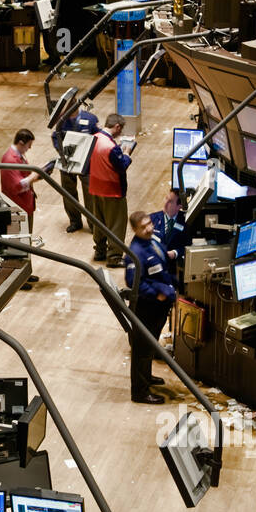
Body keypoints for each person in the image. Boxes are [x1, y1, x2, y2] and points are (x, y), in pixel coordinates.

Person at [124, 209, 177, 404]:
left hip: (159, 305)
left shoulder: (153, 240)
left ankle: (147, 376)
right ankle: (139, 392)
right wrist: (158, 293)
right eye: (143, 227)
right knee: (141, 349)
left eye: (149, 224)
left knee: (150, 346)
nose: (149, 228)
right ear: (134, 229)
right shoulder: (135, 253)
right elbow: (133, 282)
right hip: (147, 306)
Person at [0, 128, 47, 286]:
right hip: (17, 207)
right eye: (28, 145)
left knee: (25, 243)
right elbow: (16, 186)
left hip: (25, 205)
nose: (30, 148)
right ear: (21, 142)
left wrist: (36, 176)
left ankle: (25, 273)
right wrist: (34, 176)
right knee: (18, 244)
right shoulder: (10, 159)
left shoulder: (18, 156)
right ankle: (17, 278)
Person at [88, 112, 133, 267]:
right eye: (121, 130)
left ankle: (99, 250)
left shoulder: (95, 138)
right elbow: (121, 166)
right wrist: (127, 154)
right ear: (117, 127)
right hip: (112, 189)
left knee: (99, 221)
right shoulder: (111, 147)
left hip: (95, 186)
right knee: (116, 223)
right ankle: (114, 256)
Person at [52, 100, 99, 233]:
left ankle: (93, 224)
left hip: (87, 164)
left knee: (90, 196)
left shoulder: (90, 119)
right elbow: (56, 137)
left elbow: (98, 137)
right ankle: (75, 221)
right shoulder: (62, 120)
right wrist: (61, 152)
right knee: (68, 194)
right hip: (68, 162)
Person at [149, 188, 188, 280]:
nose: (165, 203)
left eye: (170, 201)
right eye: (166, 198)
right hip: (152, 268)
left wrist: (175, 253)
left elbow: (188, 245)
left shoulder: (186, 223)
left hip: (173, 271)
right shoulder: (152, 219)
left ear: (179, 206)